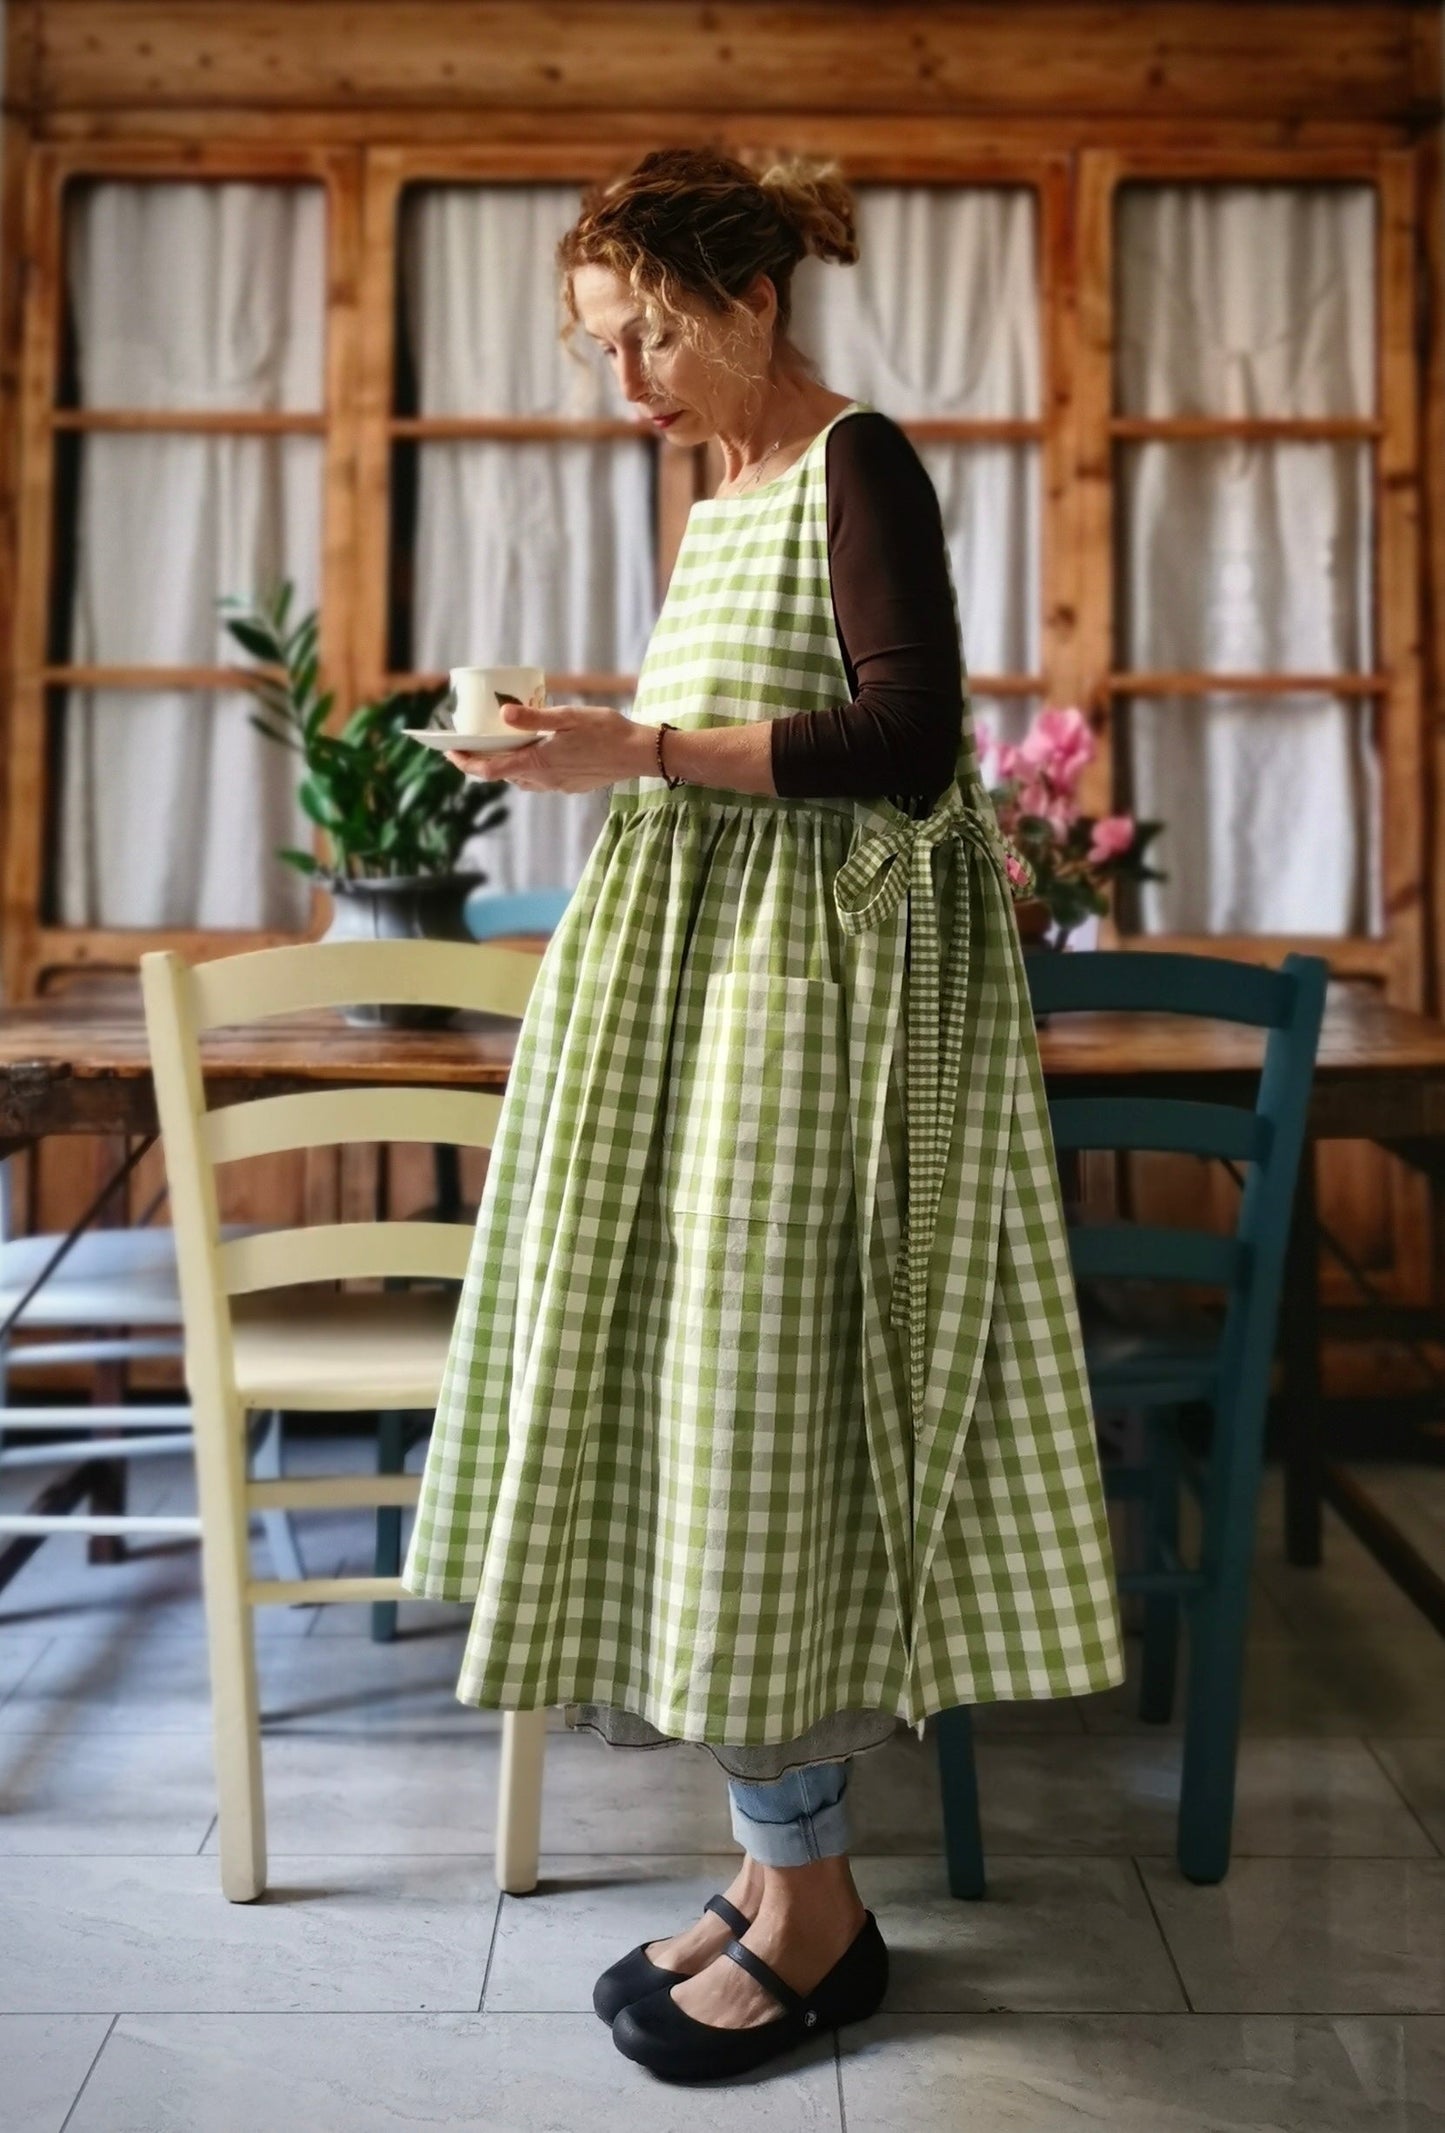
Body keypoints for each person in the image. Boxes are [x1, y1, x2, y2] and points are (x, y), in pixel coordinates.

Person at [401, 145, 1124, 2084]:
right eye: (607, 346)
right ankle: (777, 1866)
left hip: (819, 1037)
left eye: (643, 337)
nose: (627, 383)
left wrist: (628, 742)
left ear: (743, 302)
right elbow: (726, 754)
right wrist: (596, 741)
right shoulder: (722, 489)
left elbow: (905, 745)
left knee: (763, 1421)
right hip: (710, 1025)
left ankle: (817, 1918)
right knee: (701, 1428)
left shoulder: (856, 461)